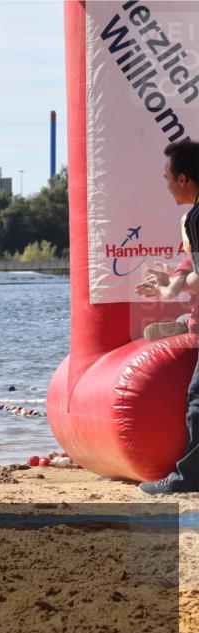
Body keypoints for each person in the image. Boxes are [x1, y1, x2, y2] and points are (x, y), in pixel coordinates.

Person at [140, 139, 199, 494]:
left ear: (182, 179)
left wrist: (171, 290)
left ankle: (188, 478)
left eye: (166, 178)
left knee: (197, 401)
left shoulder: (195, 217)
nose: (165, 186)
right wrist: (171, 285)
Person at [136, 258, 199, 340]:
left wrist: (159, 288)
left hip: (195, 323)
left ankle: (182, 326)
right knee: (185, 317)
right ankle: (182, 326)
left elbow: (171, 292)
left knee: (183, 319)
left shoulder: (189, 262)